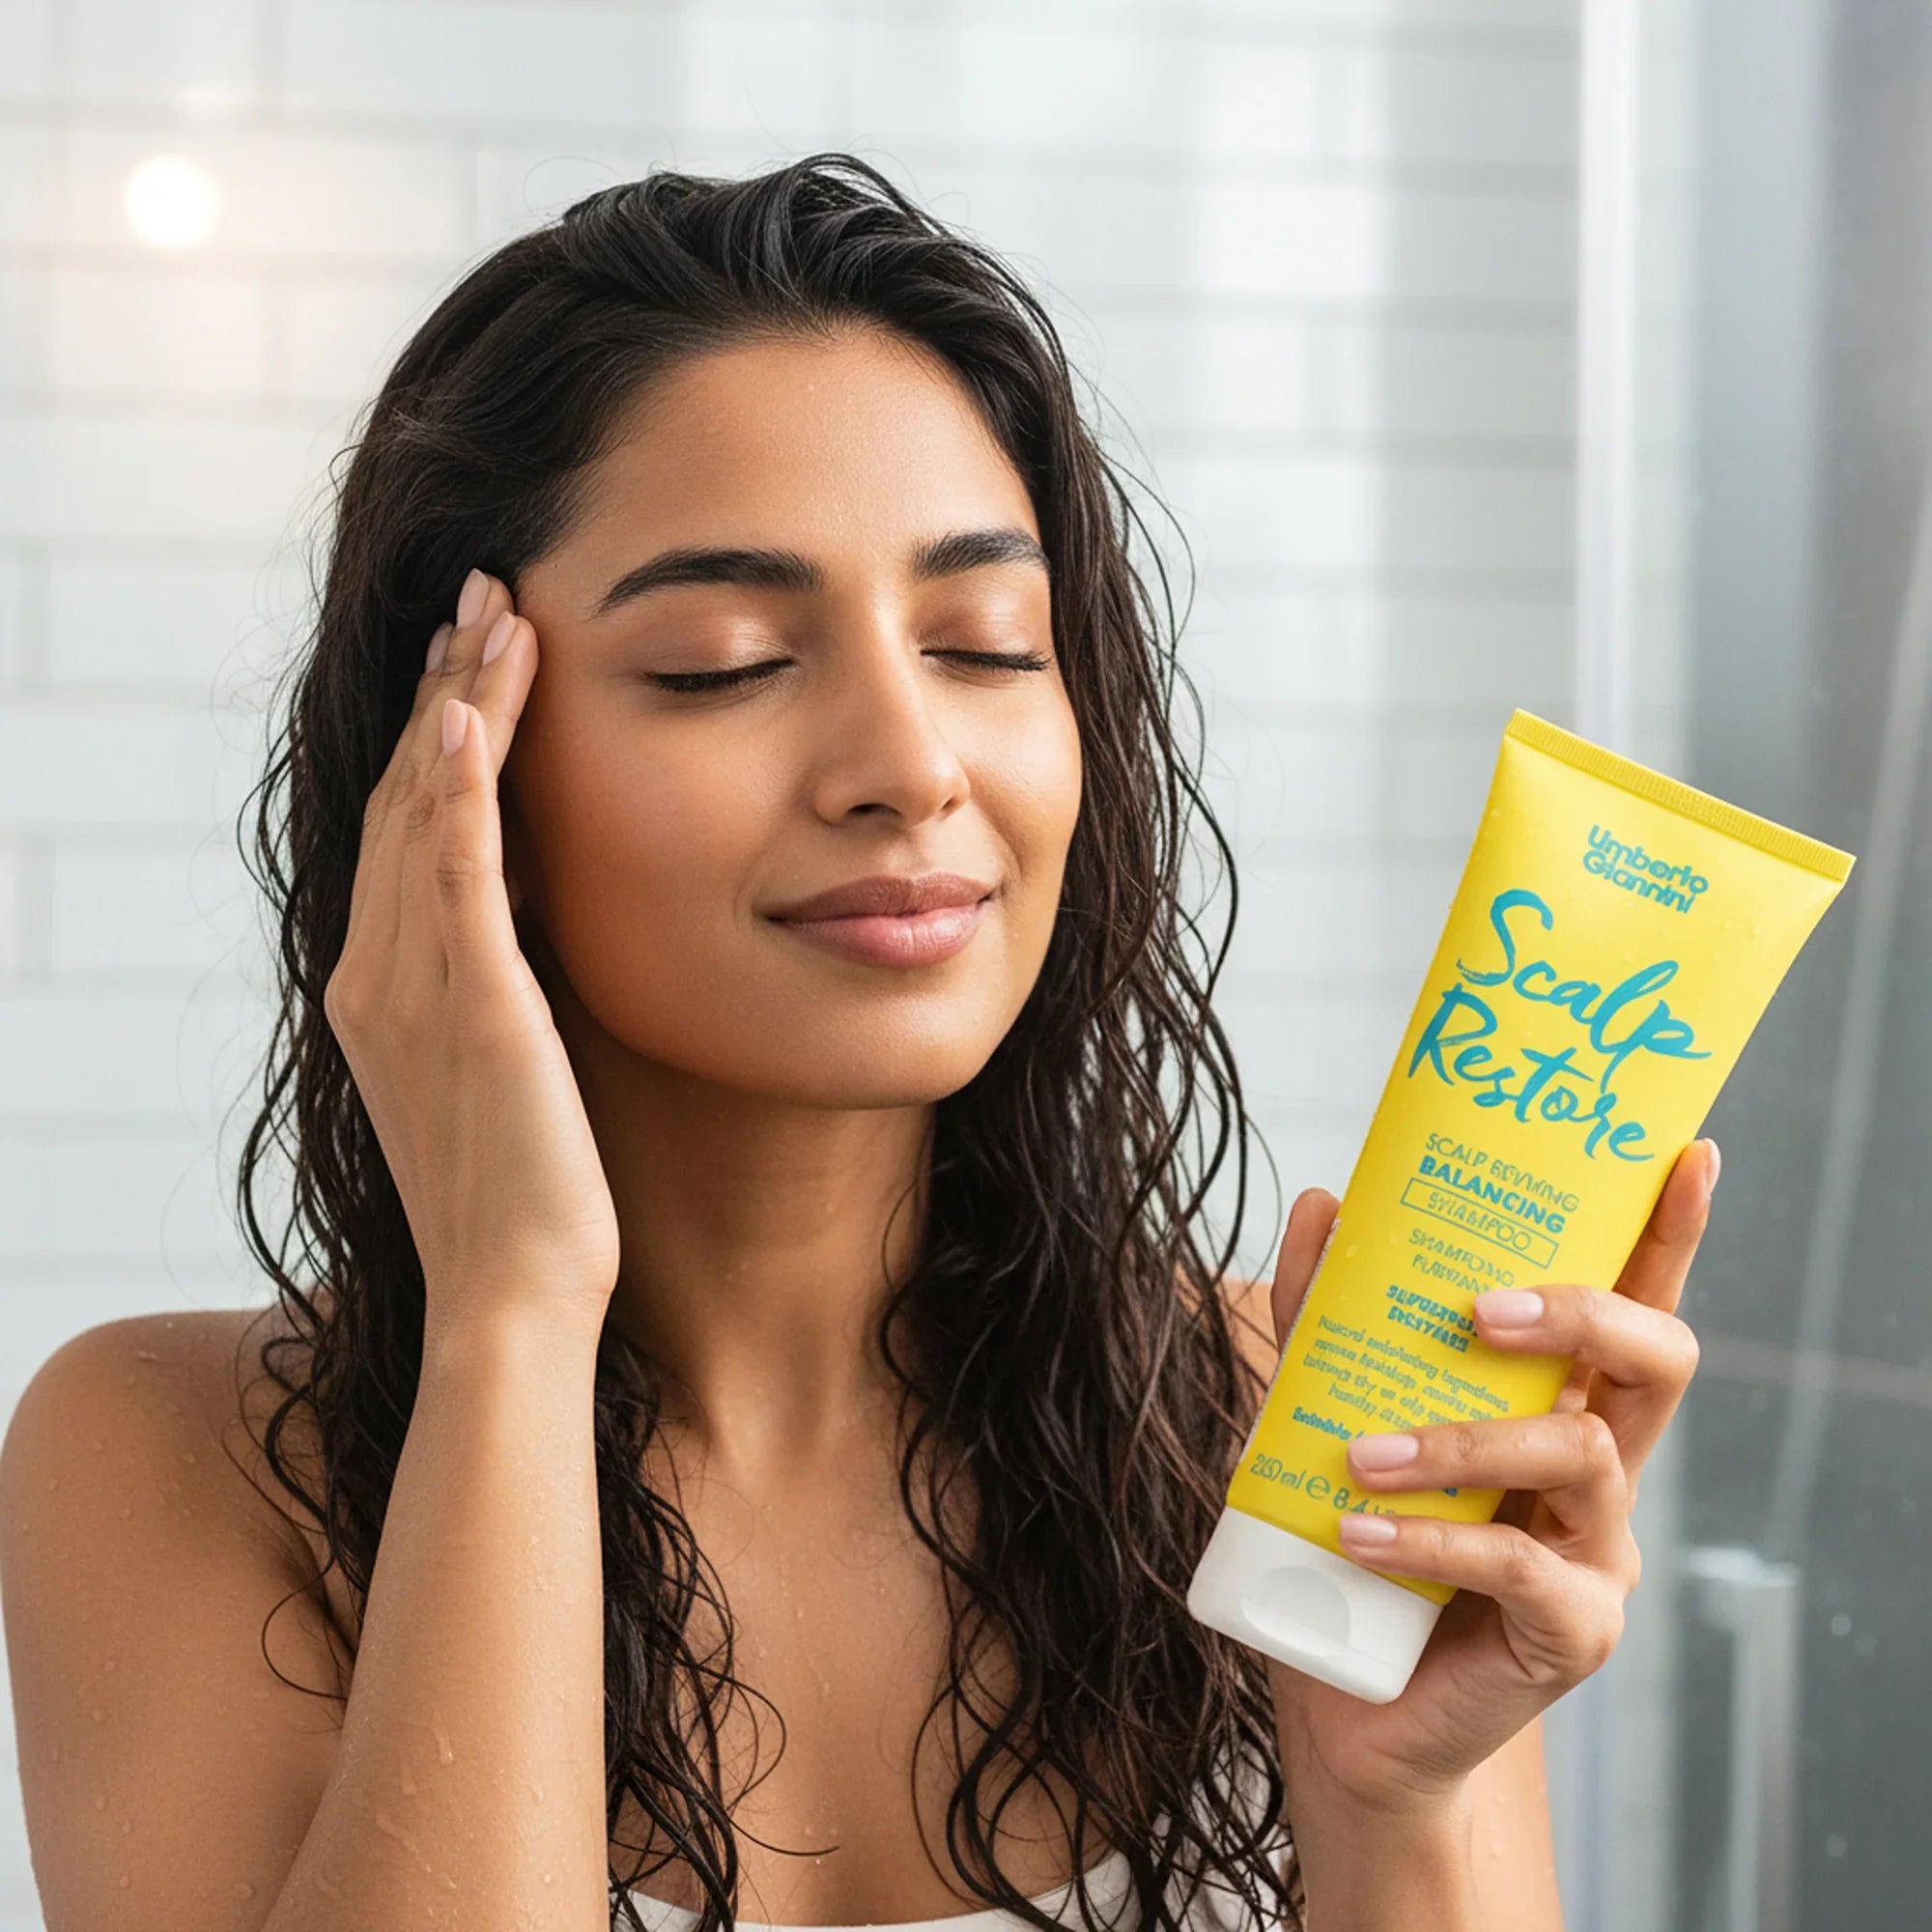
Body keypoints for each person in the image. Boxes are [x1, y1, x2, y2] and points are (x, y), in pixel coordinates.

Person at [0, 154, 1708, 1932]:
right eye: (728, 662)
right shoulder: (168, 1462)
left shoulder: (1280, 1421)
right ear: (458, 765)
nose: (912, 761)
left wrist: (1394, 1793)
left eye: (985, 642)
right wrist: (510, 1309)